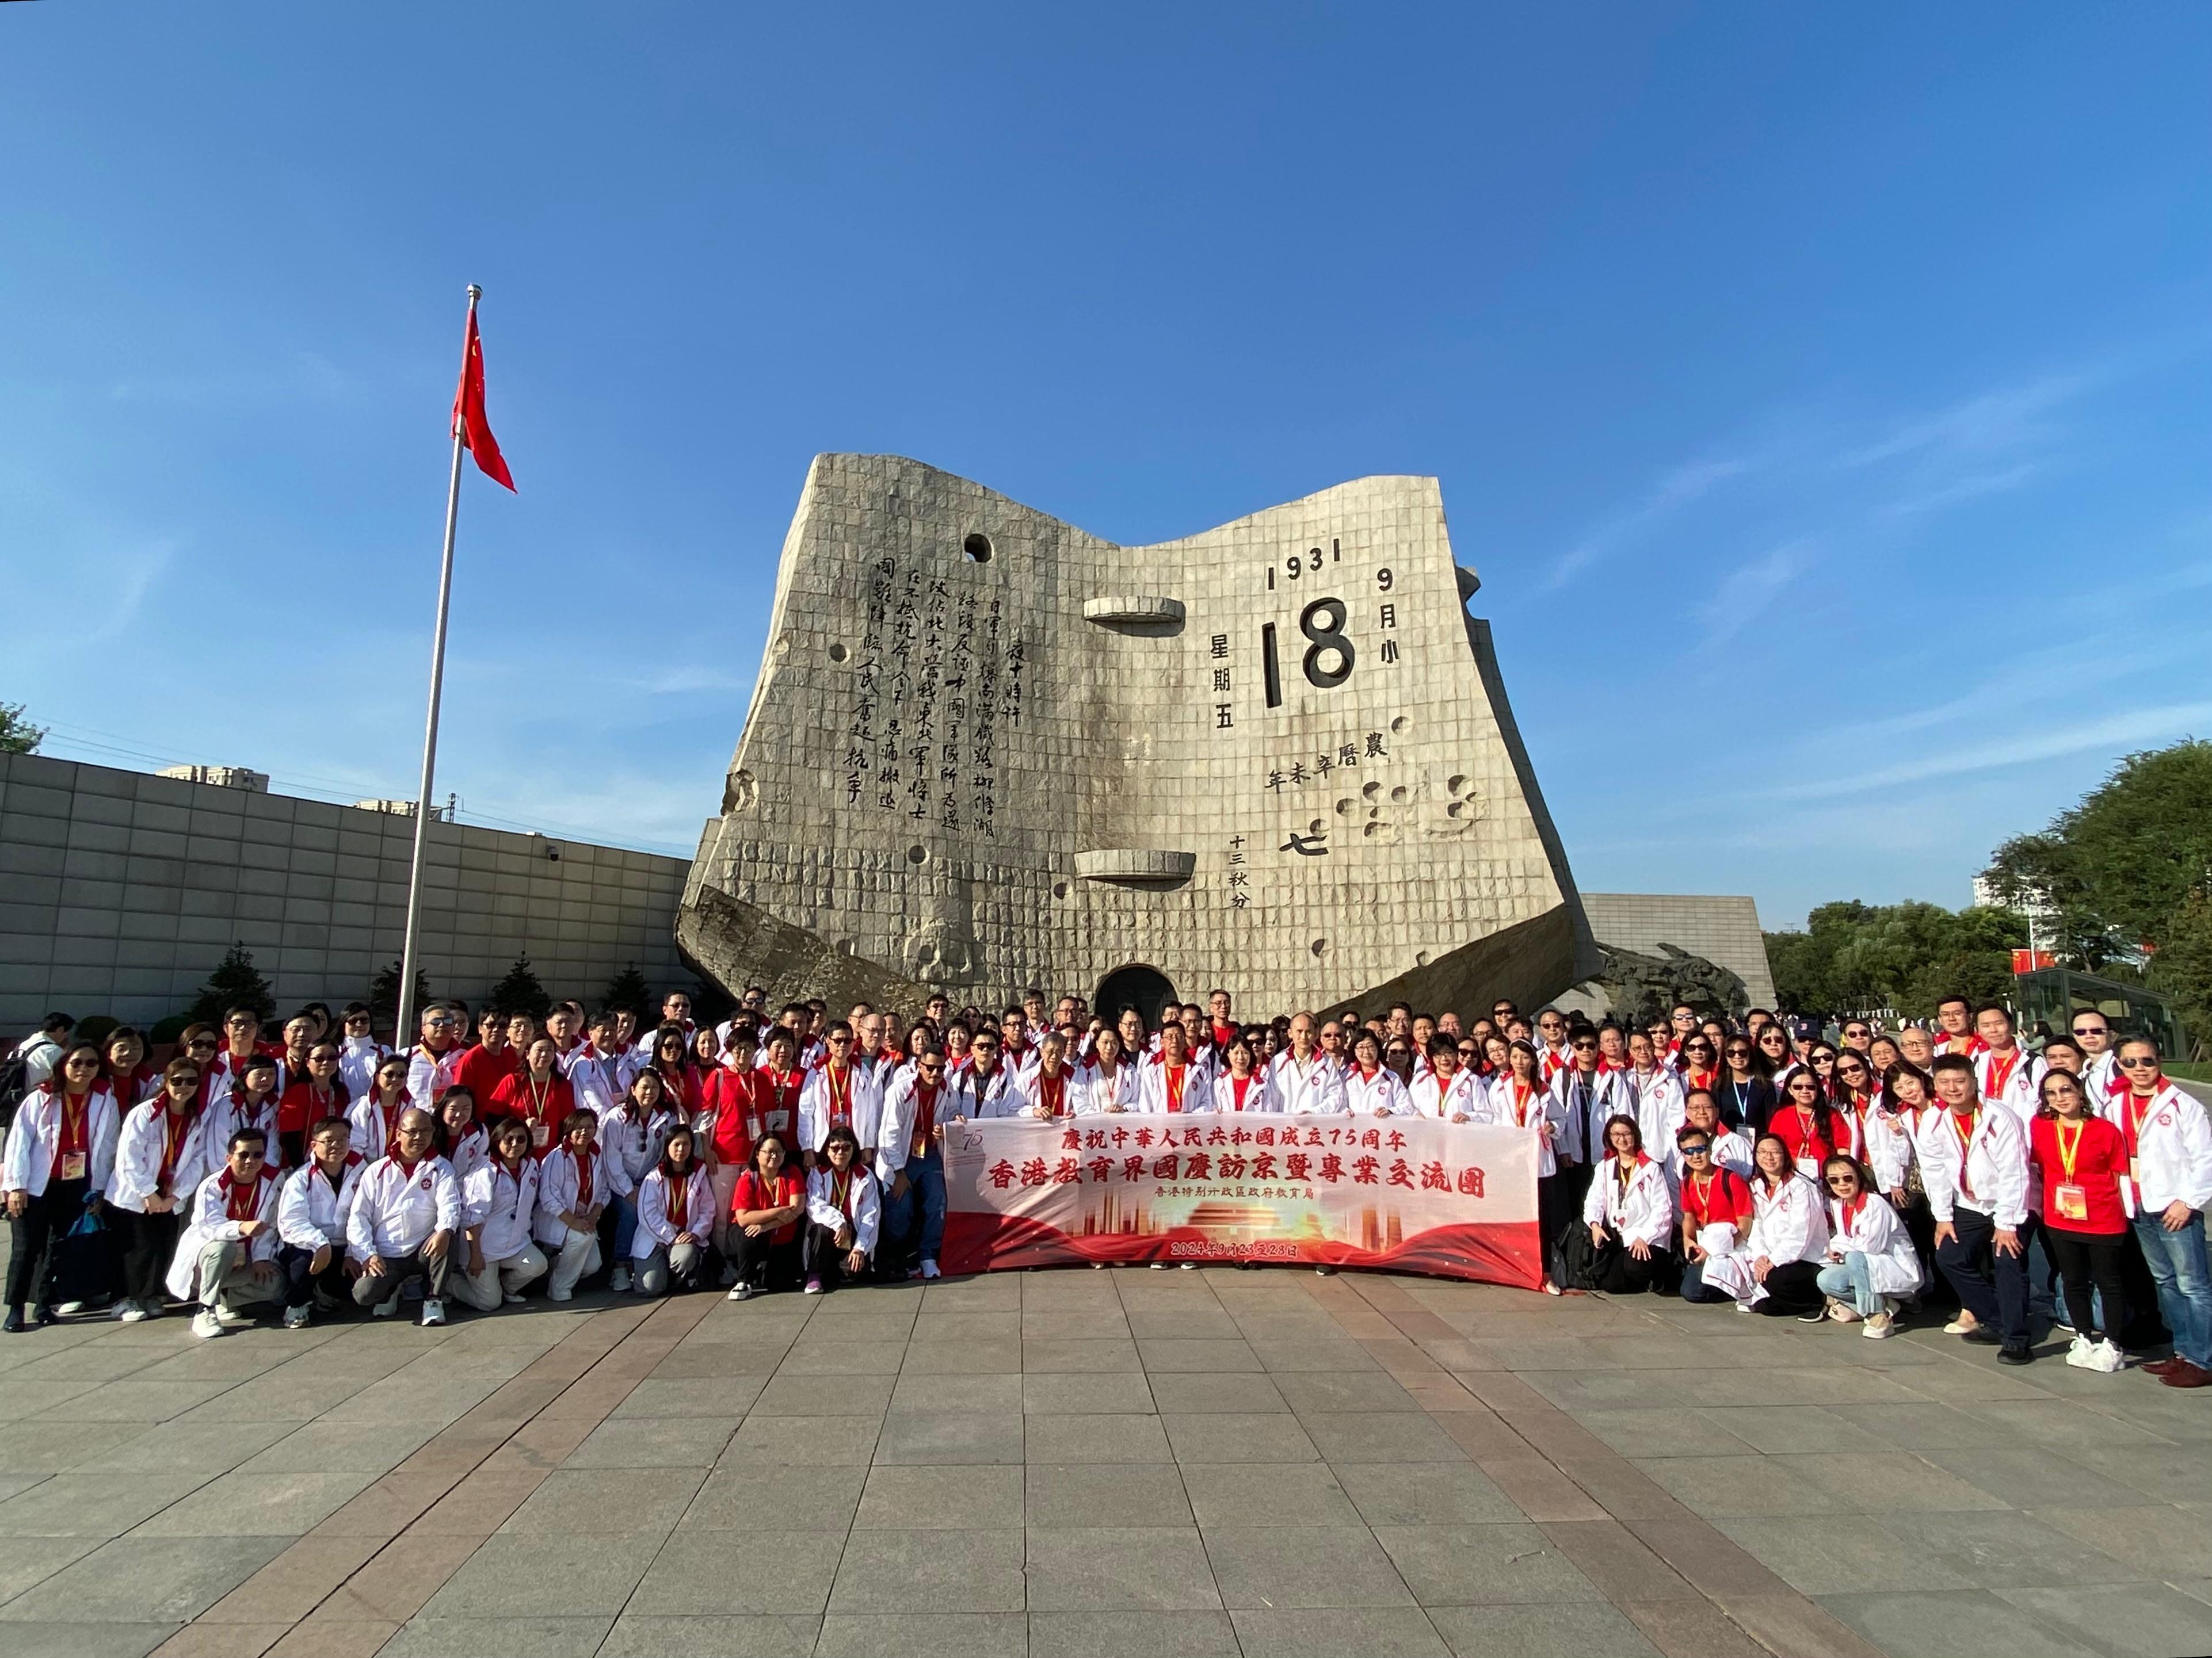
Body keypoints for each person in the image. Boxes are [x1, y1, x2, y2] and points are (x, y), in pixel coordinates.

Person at [2108, 1037, 2212, 1388]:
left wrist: (2189, 1201)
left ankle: (2203, 1358)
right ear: (2120, 1065)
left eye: (2147, 1061)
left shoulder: (2183, 1106)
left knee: (2193, 1286)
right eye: (2131, 1063)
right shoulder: (2115, 1104)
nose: (2140, 1069)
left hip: (2174, 1208)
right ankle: (2183, 1352)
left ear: (2160, 1061)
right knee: (2166, 1282)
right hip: (2138, 1206)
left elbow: (2204, 1159)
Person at [1921, 1052, 2033, 1363]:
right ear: (1935, 1085)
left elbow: (2015, 1171)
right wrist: (1943, 1217)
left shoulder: (2000, 1117)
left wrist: (2007, 1222)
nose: (1953, 1088)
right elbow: (1934, 1170)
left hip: (2007, 1203)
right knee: (1950, 1257)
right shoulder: (1934, 1119)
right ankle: (1998, 1320)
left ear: (1974, 1081)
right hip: (1968, 1203)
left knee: (2008, 1264)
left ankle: (2016, 1339)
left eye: (1960, 1081)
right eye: (1944, 1082)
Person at [3, 1040, 120, 1330]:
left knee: (58, 1246)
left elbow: (107, 1147)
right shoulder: (41, 1098)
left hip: (76, 1184)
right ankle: (16, 1307)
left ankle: (44, 1304)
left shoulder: (105, 1099)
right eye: (77, 1063)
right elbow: (18, 1144)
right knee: (26, 1248)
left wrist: (100, 1189)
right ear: (64, 1066)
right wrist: (15, 1187)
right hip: (36, 1185)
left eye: (91, 1063)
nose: (83, 1069)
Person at [2028, 1069, 2129, 1373]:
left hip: (2103, 1217)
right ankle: (2084, 1336)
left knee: (2108, 1282)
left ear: (2080, 1091)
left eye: (2066, 1090)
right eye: (2051, 1093)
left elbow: (2119, 1173)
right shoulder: (2040, 1127)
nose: (2059, 1098)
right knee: (2073, 1281)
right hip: (2061, 1218)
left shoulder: (2105, 1130)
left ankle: (2113, 1343)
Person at [107, 1057, 211, 1322]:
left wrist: (175, 1196)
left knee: (161, 1248)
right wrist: (148, 1193)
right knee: (136, 1249)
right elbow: (129, 1158)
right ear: (165, 1083)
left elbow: (197, 1161)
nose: (184, 1087)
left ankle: (150, 1296)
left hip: (169, 1196)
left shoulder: (196, 1118)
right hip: (136, 1195)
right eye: (177, 1081)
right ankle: (126, 1299)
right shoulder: (144, 1113)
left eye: (191, 1081)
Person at [345, 1107, 460, 1327]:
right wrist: (368, 1254)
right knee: (364, 1294)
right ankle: (392, 1289)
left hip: (422, 1249)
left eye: (425, 1131)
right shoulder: (376, 1171)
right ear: (399, 1134)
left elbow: (450, 1204)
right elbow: (358, 1217)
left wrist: (445, 1230)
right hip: (387, 1254)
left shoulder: (441, 1167)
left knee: (449, 1235)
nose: (419, 1138)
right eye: (412, 1132)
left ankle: (434, 1299)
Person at [169, 1126, 285, 1339]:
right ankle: (205, 1310)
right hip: (208, 1258)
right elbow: (209, 1226)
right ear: (229, 1157)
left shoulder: (274, 1180)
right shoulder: (212, 1185)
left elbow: (270, 1225)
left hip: (246, 1257)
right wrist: (240, 1227)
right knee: (223, 1247)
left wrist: (261, 1258)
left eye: (258, 1155)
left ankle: (226, 1298)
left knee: (275, 1284)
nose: (251, 1161)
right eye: (244, 1155)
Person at [1479, 1040, 1570, 1295]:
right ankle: (1511, 1268)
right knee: (1510, 1216)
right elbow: (1492, 1120)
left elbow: (1560, 1119)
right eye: (1515, 1056)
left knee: (1542, 1218)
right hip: (1510, 1160)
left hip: (1538, 1159)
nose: (1519, 1061)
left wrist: (1553, 1129)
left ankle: (1546, 1274)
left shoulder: (1544, 1090)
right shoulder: (1499, 1087)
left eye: (1524, 1057)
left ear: (1532, 1060)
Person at [1706, 1132, 1829, 1318]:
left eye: (1775, 1152)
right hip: (1772, 1258)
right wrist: (1761, 1257)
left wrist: (1773, 1261)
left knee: (1774, 1280)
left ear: (1785, 1155)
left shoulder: (1802, 1187)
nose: (1769, 1157)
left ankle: (1816, 1302)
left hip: (1806, 1259)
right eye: (1763, 1152)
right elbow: (1757, 1228)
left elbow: (1800, 1236)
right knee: (1763, 1300)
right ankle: (1786, 1301)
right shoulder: (1756, 1186)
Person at [1815, 1155, 1920, 1336]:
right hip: (1865, 1266)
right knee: (1825, 1280)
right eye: (1834, 1180)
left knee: (1855, 1257)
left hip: (1895, 1266)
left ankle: (1878, 1315)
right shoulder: (1837, 1203)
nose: (1842, 1184)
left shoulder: (1875, 1204)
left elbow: (1870, 1247)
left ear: (1858, 1177)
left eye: (1848, 1178)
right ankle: (1884, 1304)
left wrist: (1838, 1244)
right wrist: (1839, 1246)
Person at [274, 1115, 364, 1328]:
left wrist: (353, 1252)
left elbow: (365, 1216)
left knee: (363, 1291)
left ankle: (324, 1291)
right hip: (309, 1247)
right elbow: (291, 1223)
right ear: (314, 1145)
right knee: (304, 1263)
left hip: (345, 1245)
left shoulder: (362, 1171)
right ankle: (296, 1304)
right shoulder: (300, 1179)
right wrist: (320, 1243)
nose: (337, 1145)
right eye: (329, 1140)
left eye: (343, 1139)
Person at [452, 1117, 549, 1311]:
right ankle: (450, 1283)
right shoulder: (486, 1172)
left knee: (538, 1265)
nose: (515, 1144)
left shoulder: (531, 1167)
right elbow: (472, 1218)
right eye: (509, 1139)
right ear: (497, 1141)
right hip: (483, 1248)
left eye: (521, 1139)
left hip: (514, 1243)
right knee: (489, 1304)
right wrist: (476, 1255)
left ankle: (506, 1287)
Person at [598, 1070, 677, 1292]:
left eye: (654, 1087)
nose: (649, 1092)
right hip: (619, 1181)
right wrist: (627, 1189)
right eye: (644, 1087)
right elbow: (611, 1159)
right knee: (631, 1212)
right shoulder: (617, 1117)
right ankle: (620, 1264)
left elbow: (665, 1154)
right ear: (633, 1090)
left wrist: (651, 1185)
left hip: (649, 1180)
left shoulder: (666, 1116)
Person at [1580, 1114, 1675, 1294]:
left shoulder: (1650, 1168)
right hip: (1621, 1236)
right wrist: (1595, 1225)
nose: (1622, 1139)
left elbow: (1663, 1209)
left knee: (1635, 1267)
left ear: (1635, 1135)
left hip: (1647, 1237)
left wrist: (1645, 1237)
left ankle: (1660, 1274)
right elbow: (1594, 1200)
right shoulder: (1605, 1167)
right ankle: (1639, 1280)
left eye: (1626, 1134)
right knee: (1611, 1285)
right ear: (1609, 1137)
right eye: (1616, 1134)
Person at [879, 1042, 949, 1278]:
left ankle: (928, 1255)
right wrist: (898, 1172)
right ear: (919, 1066)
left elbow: (953, 1112)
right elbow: (888, 1133)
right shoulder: (901, 1090)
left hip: (928, 1155)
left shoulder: (946, 1089)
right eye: (930, 1068)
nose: (936, 1073)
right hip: (901, 1157)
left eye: (941, 1068)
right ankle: (896, 1256)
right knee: (901, 1208)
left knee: (937, 1202)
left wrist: (949, 1125)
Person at [632, 1124, 716, 1296]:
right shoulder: (654, 1176)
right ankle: (651, 1274)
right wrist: (671, 1237)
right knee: (651, 1289)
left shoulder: (699, 1173)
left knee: (686, 1257)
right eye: (676, 1144)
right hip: (655, 1238)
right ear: (667, 1147)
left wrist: (696, 1233)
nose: (681, 1149)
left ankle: (673, 1277)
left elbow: (708, 1210)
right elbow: (647, 1214)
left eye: (686, 1144)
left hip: (685, 1238)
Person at [1676, 1124, 1753, 1304]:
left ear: (1710, 1150)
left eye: (1700, 1149)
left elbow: (1746, 1223)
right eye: (1689, 1152)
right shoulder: (1688, 1182)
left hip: (1732, 1247)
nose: (1696, 1156)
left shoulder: (1731, 1179)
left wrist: (1717, 1251)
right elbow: (1689, 1217)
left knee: (1694, 1291)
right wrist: (1688, 1240)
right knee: (1689, 1291)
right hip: (1705, 1244)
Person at [535, 1109, 607, 1301]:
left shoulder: (597, 1156)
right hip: (558, 1218)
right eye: (579, 1128)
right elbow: (548, 1196)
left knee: (593, 1266)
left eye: (590, 1127)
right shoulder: (557, 1157)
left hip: (585, 1218)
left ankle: (554, 1265)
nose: (585, 1132)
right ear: (569, 1130)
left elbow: (604, 1191)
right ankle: (558, 1288)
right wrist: (572, 1221)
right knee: (582, 1239)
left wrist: (594, 1216)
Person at [726, 1131, 806, 1300]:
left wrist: (765, 1225)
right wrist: (778, 1211)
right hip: (751, 1235)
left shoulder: (792, 1173)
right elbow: (743, 1218)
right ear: (757, 1154)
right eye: (769, 1151)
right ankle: (744, 1281)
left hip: (781, 1235)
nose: (774, 1155)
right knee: (749, 1233)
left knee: (780, 1284)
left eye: (779, 1151)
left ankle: (761, 1272)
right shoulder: (748, 1178)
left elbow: (796, 1209)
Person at [803, 1125, 880, 1294]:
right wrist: (839, 1222)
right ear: (827, 1150)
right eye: (835, 1148)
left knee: (856, 1270)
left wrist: (860, 1248)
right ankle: (814, 1276)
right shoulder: (818, 1173)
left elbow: (871, 1216)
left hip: (852, 1235)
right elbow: (815, 1206)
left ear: (853, 1149)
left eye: (846, 1148)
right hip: (827, 1233)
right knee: (821, 1230)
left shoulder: (865, 1175)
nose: (840, 1153)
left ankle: (835, 1271)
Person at [276, 1040, 349, 1171]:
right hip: (301, 1165)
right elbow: (290, 1138)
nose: (326, 1063)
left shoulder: (341, 1091)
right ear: (307, 1062)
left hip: (333, 1163)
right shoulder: (298, 1092)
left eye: (332, 1058)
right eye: (319, 1059)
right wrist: (301, 1168)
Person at [492, 1037, 574, 1154]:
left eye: (550, 1050)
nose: (545, 1054)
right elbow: (493, 1118)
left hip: (552, 1154)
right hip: (516, 1152)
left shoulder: (563, 1085)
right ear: (528, 1054)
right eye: (540, 1050)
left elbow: (568, 1122)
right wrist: (520, 1126)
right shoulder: (512, 1081)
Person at [1271, 1013, 1345, 1115]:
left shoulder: (1327, 1063)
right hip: (1286, 1127)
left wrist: (1313, 1113)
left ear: (1315, 1034)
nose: (1304, 1037)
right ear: (1290, 1033)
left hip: (1316, 1126)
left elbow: (1335, 1096)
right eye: (1299, 1032)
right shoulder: (1277, 1062)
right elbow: (1271, 1098)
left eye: (1308, 1032)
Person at [347, 1054, 411, 1162]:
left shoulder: (411, 1107)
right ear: (377, 1077)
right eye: (389, 1074)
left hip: (398, 1169)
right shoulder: (362, 1107)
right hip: (366, 1170)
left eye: (401, 1075)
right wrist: (369, 1172)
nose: (395, 1079)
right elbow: (354, 1146)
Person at [948, 1027, 1019, 1118]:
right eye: (981, 1046)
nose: (986, 1050)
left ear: (996, 1050)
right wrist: (956, 1115)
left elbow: (1008, 1110)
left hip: (993, 1130)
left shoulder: (1006, 1079)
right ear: (972, 1049)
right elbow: (952, 1108)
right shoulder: (960, 1077)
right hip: (966, 1130)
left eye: (990, 1046)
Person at [1342, 1031, 1412, 1117]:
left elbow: (1407, 1107)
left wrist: (1390, 1112)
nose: (1367, 1052)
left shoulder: (1391, 1077)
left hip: (1383, 1128)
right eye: (1361, 1047)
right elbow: (1339, 1104)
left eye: (1371, 1047)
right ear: (1354, 1051)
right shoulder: (1346, 1077)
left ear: (1378, 1048)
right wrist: (1345, 1111)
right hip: (1355, 1128)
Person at [1716, 1035, 1777, 1134]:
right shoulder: (1719, 1085)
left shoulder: (1765, 1085)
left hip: (1759, 1142)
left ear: (1750, 1055)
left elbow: (1771, 1120)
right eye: (1731, 1053)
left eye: (1742, 1053)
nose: (1737, 1057)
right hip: (1730, 1143)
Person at [1411, 1037, 1480, 1121]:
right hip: (1426, 1132)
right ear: (1432, 1057)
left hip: (1460, 1133)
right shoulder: (1420, 1079)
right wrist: (1416, 1115)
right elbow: (1409, 1107)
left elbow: (1486, 1115)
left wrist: (1469, 1118)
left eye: (1449, 1053)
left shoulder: (1472, 1080)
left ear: (1456, 1054)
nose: (1444, 1059)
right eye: (1438, 1054)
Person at [1018, 1032, 1082, 1118]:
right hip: (1035, 1130)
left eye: (1059, 1052)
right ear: (1042, 1052)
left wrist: (1073, 1113)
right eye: (1050, 1051)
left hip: (1064, 1129)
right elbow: (1009, 1109)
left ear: (1063, 1054)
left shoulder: (1074, 1077)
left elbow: (1081, 1105)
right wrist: (1033, 1112)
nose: (1054, 1057)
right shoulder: (1026, 1078)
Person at [1078, 1026, 1138, 1114]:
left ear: (1119, 1045)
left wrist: (1124, 1108)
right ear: (1097, 1044)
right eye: (1105, 1042)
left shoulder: (1130, 1070)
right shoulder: (1085, 1070)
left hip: (1124, 1124)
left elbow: (1137, 1101)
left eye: (1114, 1043)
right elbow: (1081, 1104)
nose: (1109, 1047)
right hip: (1094, 1124)